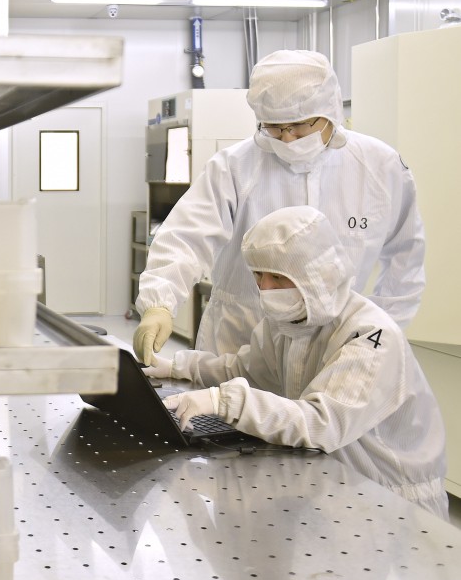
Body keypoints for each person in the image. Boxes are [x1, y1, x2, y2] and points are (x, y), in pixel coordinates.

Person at [149, 206, 447, 519]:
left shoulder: (371, 335)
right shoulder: (288, 321)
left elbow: (321, 423)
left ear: (317, 276)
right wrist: (176, 366)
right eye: (259, 276)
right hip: (336, 487)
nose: (266, 289)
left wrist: (224, 401)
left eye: (278, 277)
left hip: (392, 502)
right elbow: (243, 371)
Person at [134, 49, 425, 365]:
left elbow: (406, 256)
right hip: (239, 340)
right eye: (273, 126)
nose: (287, 138)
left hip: (336, 346)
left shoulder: (380, 167)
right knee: (224, 412)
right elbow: (186, 236)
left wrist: (379, 333)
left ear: (330, 110)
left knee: (322, 413)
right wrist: (159, 301)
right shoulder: (234, 166)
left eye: (299, 125)